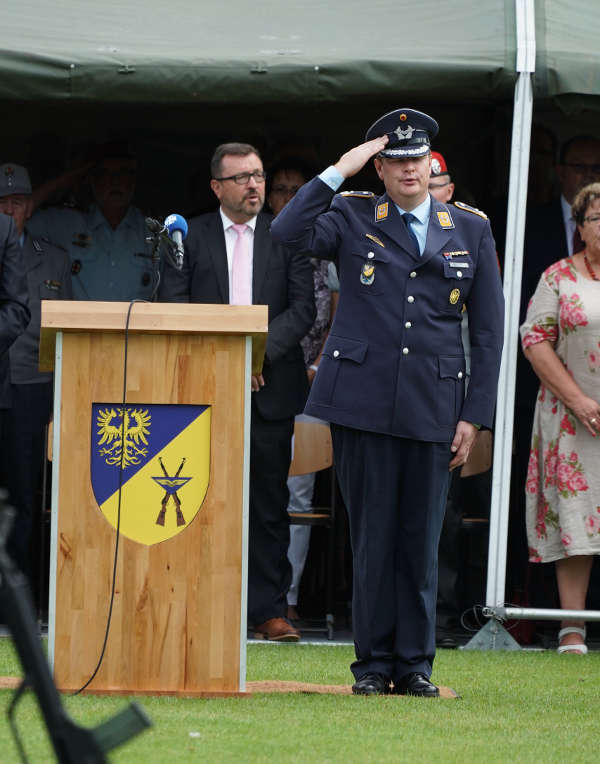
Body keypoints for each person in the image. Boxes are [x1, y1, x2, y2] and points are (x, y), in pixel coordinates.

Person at [271, 108, 504, 696]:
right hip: (364, 399)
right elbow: (286, 232)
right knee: (372, 538)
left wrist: (474, 414)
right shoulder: (351, 213)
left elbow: (488, 333)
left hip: (434, 402)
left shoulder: (470, 228)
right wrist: (336, 170)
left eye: (417, 159)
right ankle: (373, 665)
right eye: (395, 161)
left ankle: (416, 665)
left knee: (420, 542)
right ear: (378, 167)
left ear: (432, 163)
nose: (409, 170)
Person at [159, 142, 315, 641]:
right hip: (204, 390)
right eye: (243, 177)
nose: (254, 186)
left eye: (259, 176)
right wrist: (227, 360)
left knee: (267, 503)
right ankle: (201, 606)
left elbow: (303, 310)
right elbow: (174, 306)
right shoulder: (190, 235)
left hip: (269, 390)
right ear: (216, 187)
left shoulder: (286, 235)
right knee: (197, 498)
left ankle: (270, 610)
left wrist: (258, 355)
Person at [520, 182, 600, 655]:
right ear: (581, 228)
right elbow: (534, 341)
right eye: (596, 218)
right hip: (573, 418)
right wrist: (580, 402)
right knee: (575, 522)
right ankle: (573, 627)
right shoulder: (557, 277)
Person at [267, 159, 335, 623]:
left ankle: (286, 596)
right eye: (282, 188)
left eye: (298, 189)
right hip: (259, 376)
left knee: (299, 492)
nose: (288, 197)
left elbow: (341, 314)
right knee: (254, 487)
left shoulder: (327, 246)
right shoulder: (260, 244)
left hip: (314, 381)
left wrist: (317, 364)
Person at [0, 164, 72, 581]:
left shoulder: (56, 258)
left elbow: (68, 329)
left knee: (25, 493)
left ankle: (19, 590)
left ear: (31, 206)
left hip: (31, 385)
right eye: (3, 202)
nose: (11, 210)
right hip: (2, 378)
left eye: (18, 202)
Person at [26, 142, 154, 301]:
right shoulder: (67, 224)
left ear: (133, 181)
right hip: (78, 325)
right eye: (105, 174)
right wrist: (65, 180)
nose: (115, 181)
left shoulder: (153, 232)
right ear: (92, 180)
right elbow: (12, 223)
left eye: (123, 173)